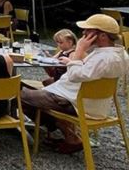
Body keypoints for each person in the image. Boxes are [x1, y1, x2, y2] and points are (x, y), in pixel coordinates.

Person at [20, 14, 129, 154]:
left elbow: (73, 76)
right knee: (35, 90)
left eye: (88, 31)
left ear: (102, 36)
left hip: (77, 102)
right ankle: (67, 131)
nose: (83, 34)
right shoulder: (121, 54)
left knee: (19, 96)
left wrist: (79, 51)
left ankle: (69, 134)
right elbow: (86, 72)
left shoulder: (105, 58)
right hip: (88, 101)